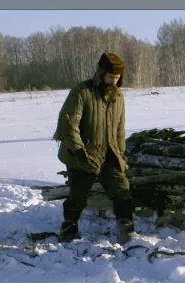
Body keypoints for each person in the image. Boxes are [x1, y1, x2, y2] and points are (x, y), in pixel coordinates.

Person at [53, 52, 135, 243]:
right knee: (78, 196)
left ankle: (126, 229)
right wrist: (80, 151)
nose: (114, 81)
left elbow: (120, 129)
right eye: (110, 76)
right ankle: (69, 228)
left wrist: (121, 153)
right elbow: (68, 124)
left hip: (110, 153)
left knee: (122, 191)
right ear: (101, 73)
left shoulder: (119, 96)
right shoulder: (82, 92)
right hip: (83, 154)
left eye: (117, 78)